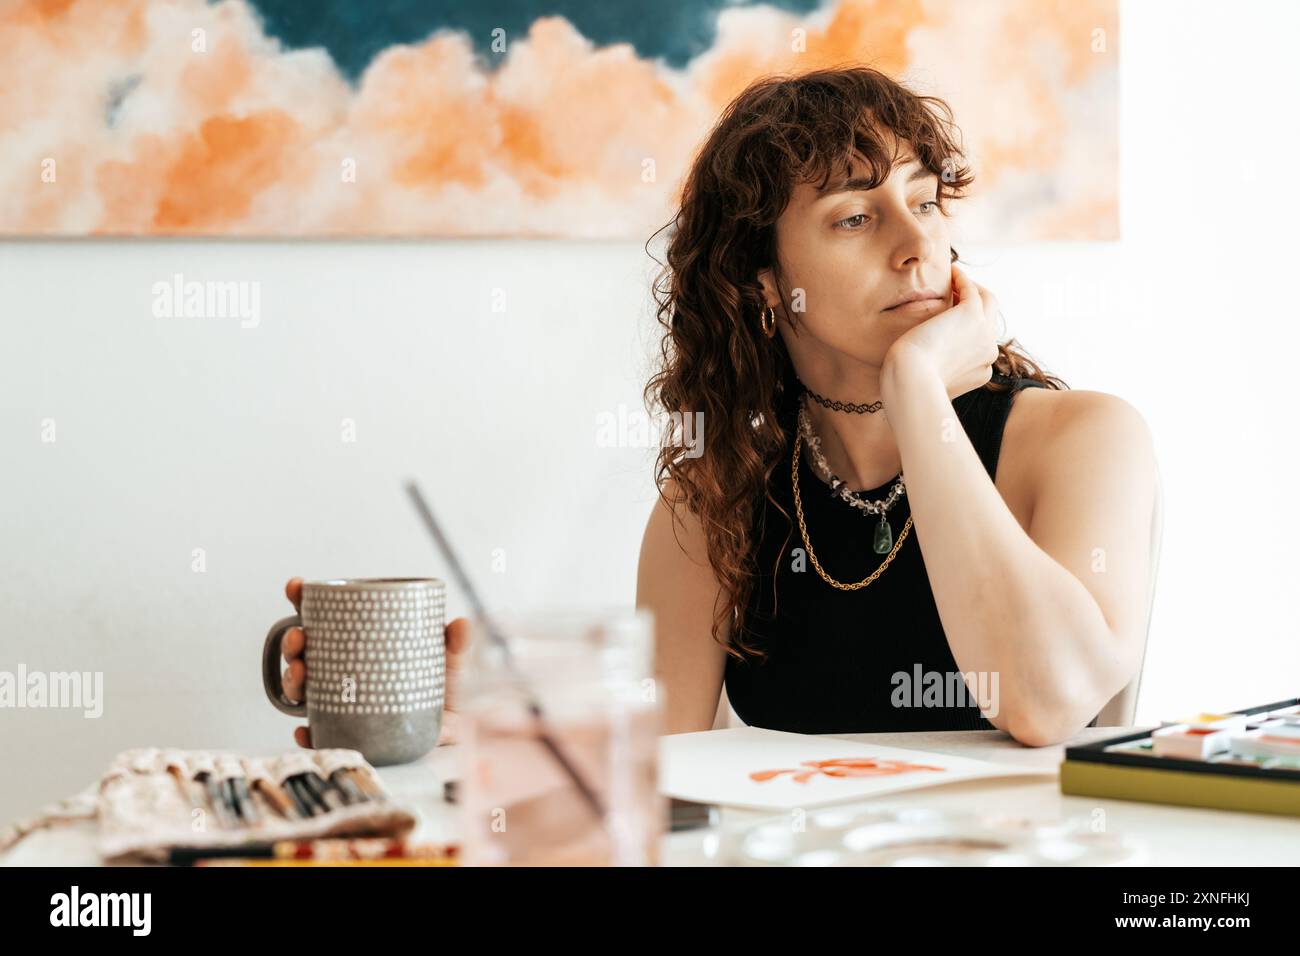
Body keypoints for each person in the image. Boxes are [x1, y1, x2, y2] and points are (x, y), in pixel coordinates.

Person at [636, 66, 1157, 746]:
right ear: (762, 280)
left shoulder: (1087, 437)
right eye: (855, 217)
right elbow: (645, 773)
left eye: (926, 203)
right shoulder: (712, 498)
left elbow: (1047, 703)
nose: (915, 247)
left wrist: (914, 386)